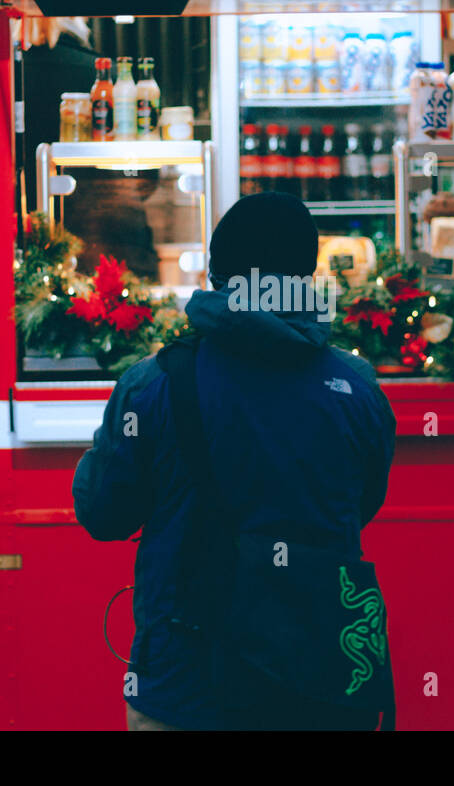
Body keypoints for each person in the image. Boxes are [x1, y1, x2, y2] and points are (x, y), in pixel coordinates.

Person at [72, 192, 397, 730]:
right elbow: (361, 505)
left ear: (220, 273)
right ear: (304, 274)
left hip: (189, 684)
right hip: (321, 680)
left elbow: (103, 513)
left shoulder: (153, 383)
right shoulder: (356, 387)